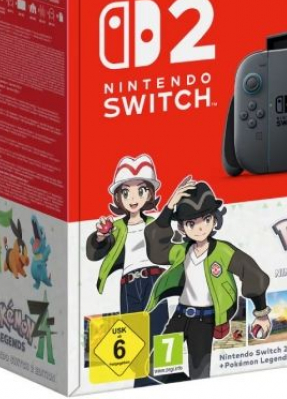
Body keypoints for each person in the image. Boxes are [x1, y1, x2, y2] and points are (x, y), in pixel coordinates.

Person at [145, 178, 271, 380]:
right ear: (182, 227)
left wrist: (261, 313)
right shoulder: (181, 251)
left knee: (199, 375)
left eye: (206, 219)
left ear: (214, 219)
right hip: (180, 316)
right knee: (156, 368)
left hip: (205, 321)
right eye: (191, 223)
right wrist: (169, 206)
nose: (200, 228)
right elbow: (157, 249)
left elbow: (252, 273)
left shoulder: (223, 251)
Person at [86, 154, 168, 386]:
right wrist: (101, 236)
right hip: (129, 285)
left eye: (140, 191)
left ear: (149, 194)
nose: (133, 198)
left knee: (158, 329)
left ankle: (154, 380)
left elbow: (171, 247)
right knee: (133, 337)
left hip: (154, 281)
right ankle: (141, 382)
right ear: (118, 197)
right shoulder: (116, 228)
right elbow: (94, 253)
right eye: (126, 192)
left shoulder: (155, 223)